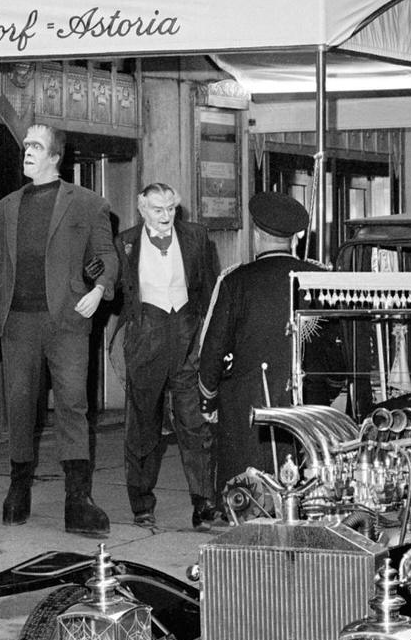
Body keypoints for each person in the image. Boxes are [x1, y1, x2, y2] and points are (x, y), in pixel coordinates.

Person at [0, 124, 118, 534]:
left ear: (55, 157)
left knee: (73, 404)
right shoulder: (5, 207)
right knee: (19, 404)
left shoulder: (88, 204)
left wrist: (99, 289)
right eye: (26, 145)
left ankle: (77, 499)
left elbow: (106, 255)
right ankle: (18, 489)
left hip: (67, 320)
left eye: (36, 146)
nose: (27, 152)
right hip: (17, 321)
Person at [197, 192, 326, 487]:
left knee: (248, 494)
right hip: (310, 404)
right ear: (294, 239)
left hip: (248, 408)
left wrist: (208, 400)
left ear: (256, 234)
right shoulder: (320, 278)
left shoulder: (235, 281)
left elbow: (213, 350)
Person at [113, 183, 221, 532]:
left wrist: (210, 336)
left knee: (195, 422)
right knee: (142, 426)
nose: (166, 216)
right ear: (142, 208)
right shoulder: (125, 242)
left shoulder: (196, 237)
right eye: (158, 209)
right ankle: (142, 503)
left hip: (187, 334)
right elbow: (113, 287)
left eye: (171, 208)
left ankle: (203, 502)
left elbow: (210, 289)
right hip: (146, 335)